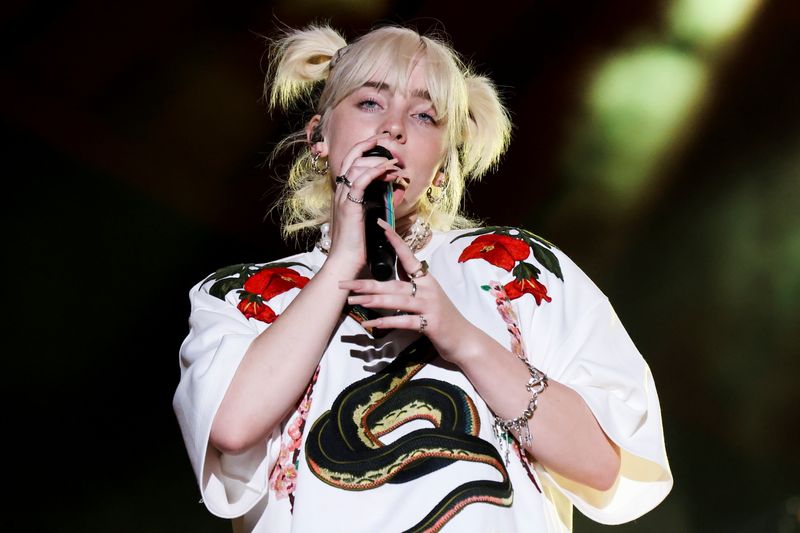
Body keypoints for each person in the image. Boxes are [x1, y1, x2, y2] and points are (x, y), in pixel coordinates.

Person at [173, 23, 672, 533]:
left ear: (441, 164)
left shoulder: (509, 265)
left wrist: (461, 338)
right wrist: (342, 263)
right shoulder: (243, 295)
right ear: (319, 134)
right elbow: (231, 428)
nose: (392, 129)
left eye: (424, 115)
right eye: (370, 103)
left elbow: (602, 464)